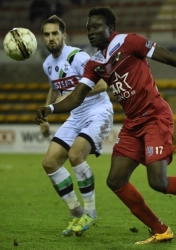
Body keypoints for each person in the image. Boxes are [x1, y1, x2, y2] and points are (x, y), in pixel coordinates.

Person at [35, 7, 176, 244]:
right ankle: (160, 229)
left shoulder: (129, 42)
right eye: (88, 27)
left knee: (158, 183)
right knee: (115, 180)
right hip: (133, 123)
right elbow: (76, 97)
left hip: (154, 116)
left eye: (96, 27)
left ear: (111, 28)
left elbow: (172, 59)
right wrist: (49, 109)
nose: (91, 31)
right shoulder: (95, 63)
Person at [39, 15, 113, 236]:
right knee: (50, 162)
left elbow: (102, 83)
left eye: (55, 33)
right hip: (76, 114)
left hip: (98, 111)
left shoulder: (77, 57)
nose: (51, 38)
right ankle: (76, 212)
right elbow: (54, 89)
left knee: (75, 155)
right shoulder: (48, 64)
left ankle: (90, 212)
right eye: (46, 34)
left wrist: (73, 94)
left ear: (64, 35)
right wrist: (46, 115)